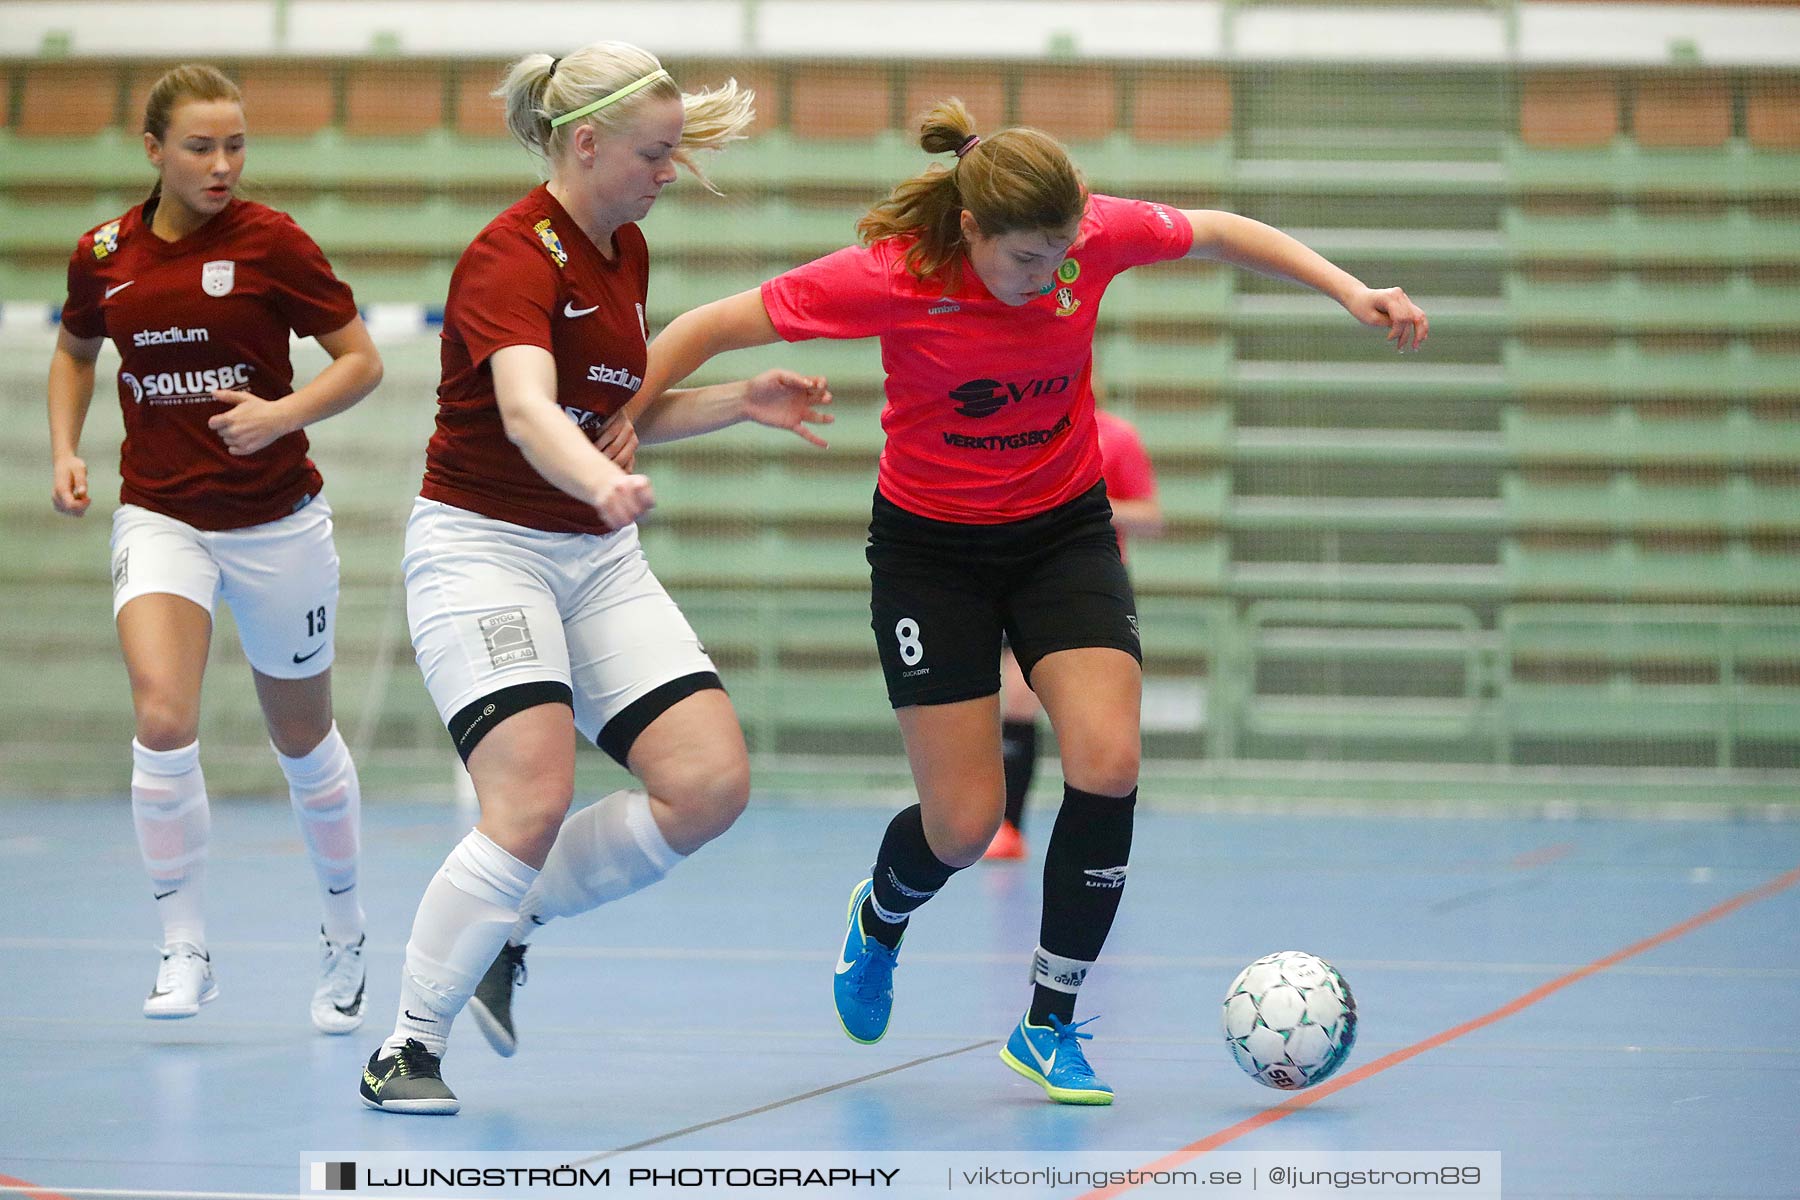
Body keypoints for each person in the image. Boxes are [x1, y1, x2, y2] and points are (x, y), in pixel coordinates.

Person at [638, 99, 1427, 1106]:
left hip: (1062, 532)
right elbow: (707, 325)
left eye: (1063, 253)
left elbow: (1223, 232)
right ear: (971, 232)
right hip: (932, 555)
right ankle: (880, 917)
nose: (1049, 275)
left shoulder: (1087, 239)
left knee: (1109, 758)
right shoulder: (894, 277)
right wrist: (615, 423)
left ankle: (1049, 1022)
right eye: (1025, 259)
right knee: (963, 826)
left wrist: (1348, 290)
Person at [356, 41, 829, 1115]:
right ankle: (406, 1047)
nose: (670, 173)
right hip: (485, 548)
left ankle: (507, 929)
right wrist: (597, 484)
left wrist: (739, 402)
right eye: (656, 155)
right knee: (528, 800)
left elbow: (614, 418)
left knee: (708, 784)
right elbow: (531, 415)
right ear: (586, 143)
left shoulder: (624, 252)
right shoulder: (507, 258)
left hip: (592, 553)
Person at [47, 65, 384, 1032]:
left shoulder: (274, 241)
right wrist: (66, 450)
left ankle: (345, 934)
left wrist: (281, 415)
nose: (223, 163)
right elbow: (75, 352)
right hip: (160, 516)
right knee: (162, 716)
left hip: (276, 522)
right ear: (153, 151)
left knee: (302, 740)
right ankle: (183, 946)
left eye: (236, 143)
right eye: (201, 146)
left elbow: (362, 361)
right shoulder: (104, 251)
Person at [985, 399, 1161, 861]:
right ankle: (1009, 826)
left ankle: (1098, 836)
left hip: (1093, 585)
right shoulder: (1022, 432)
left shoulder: (1116, 437)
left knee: (1099, 724)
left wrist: (1087, 505)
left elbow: (1152, 517)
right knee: (1018, 701)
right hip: (1027, 579)